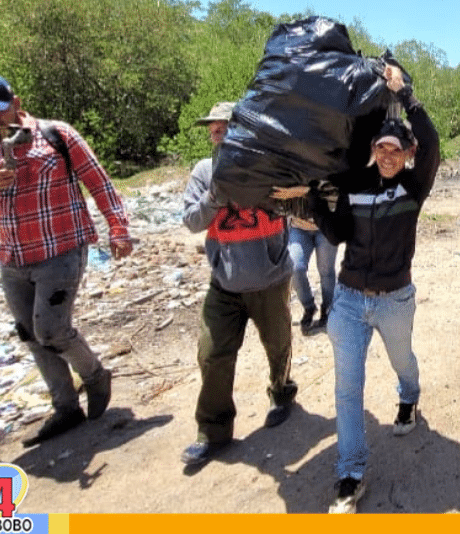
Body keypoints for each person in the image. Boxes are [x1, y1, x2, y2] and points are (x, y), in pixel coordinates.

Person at [0, 76, 130, 446]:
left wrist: (119, 229)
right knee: (30, 335)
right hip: (13, 255)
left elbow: (98, 181)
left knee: (51, 330)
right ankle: (65, 408)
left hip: (62, 247)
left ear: (16, 102)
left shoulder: (54, 134)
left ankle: (95, 376)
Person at [288, 62, 439, 515]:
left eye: (396, 149)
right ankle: (350, 474)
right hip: (351, 302)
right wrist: (313, 199)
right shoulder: (356, 186)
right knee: (347, 390)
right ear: (374, 149)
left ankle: (409, 395)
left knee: (402, 361)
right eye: (382, 148)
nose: (389, 155)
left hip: (395, 301)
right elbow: (335, 234)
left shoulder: (414, 186)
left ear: (407, 153)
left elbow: (431, 143)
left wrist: (407, 96)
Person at [180, 101, 298, 466]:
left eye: (224, 126)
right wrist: (215, 195)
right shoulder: (203, 172)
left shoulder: (269, 165)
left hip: (270, 277)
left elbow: (296, 204)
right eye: (213, 129)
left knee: (277, 345)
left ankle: (281, 392)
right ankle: (213, 431)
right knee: (211, 353)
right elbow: (191, 221)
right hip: (225, 283)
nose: (217, 133)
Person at [287, 214, 338, 334]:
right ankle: (309, 307)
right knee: (294, 268)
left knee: (326, 271)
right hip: (298, 226)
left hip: (327, 226)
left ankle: (327, 310)